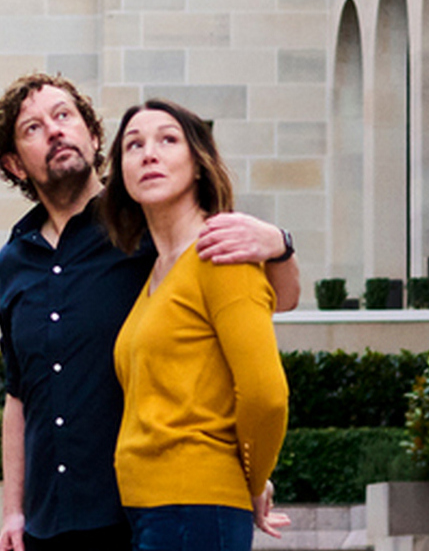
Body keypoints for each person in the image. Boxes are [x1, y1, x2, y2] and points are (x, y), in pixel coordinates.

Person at [0, 71, 299, 551]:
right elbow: (18, 394)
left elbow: (271, 303)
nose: (54, 130)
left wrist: (279, 244)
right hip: (49, 522)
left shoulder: (146, 223)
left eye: (64, 115)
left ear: (93, 138)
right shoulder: (12, 263)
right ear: (15, 165)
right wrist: (13, 510)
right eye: (33, 127)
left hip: (134, 511)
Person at [101, 99, 290, 548]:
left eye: (168, 140)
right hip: (151, 509)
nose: (149, 153)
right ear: (121, 174)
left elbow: (266, 395)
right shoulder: (155, 271)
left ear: (199, 164)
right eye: (134, 144)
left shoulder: (222, 256)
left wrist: (252, 479)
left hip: (196, 506)